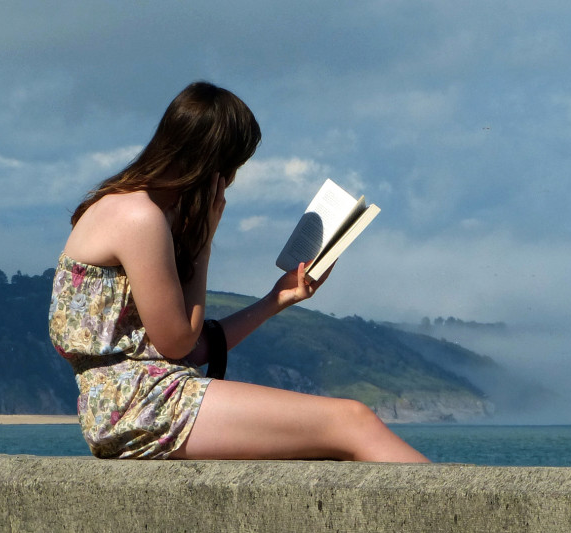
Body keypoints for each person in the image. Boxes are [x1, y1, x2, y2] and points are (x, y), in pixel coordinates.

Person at [48, 81, 429, 462]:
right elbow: (178, 343)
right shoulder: (139, 217)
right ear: (211, 165)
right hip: (141, 406)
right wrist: (203, 246)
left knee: (331, 440)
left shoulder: (130, 209)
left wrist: (277, 299)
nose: (230, 181)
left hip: (128, 407)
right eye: (231, 168)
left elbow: (192, 350)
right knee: (352, 421)